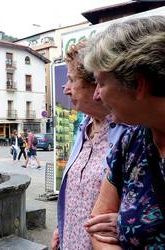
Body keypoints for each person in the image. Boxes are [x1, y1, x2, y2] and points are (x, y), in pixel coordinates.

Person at [82, 16, 165, 249]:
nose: (96, 95)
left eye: (101, 83)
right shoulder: (131, 142)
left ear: (138, 84)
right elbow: (97, 228)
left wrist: (125, 224)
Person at [52, 42, 128, 250]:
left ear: (96, 83)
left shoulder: (128, 131)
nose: (65, 89)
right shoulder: (82, 127)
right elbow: (75, 192)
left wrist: (124, 222)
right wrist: (61, 227)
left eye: (71, 80)